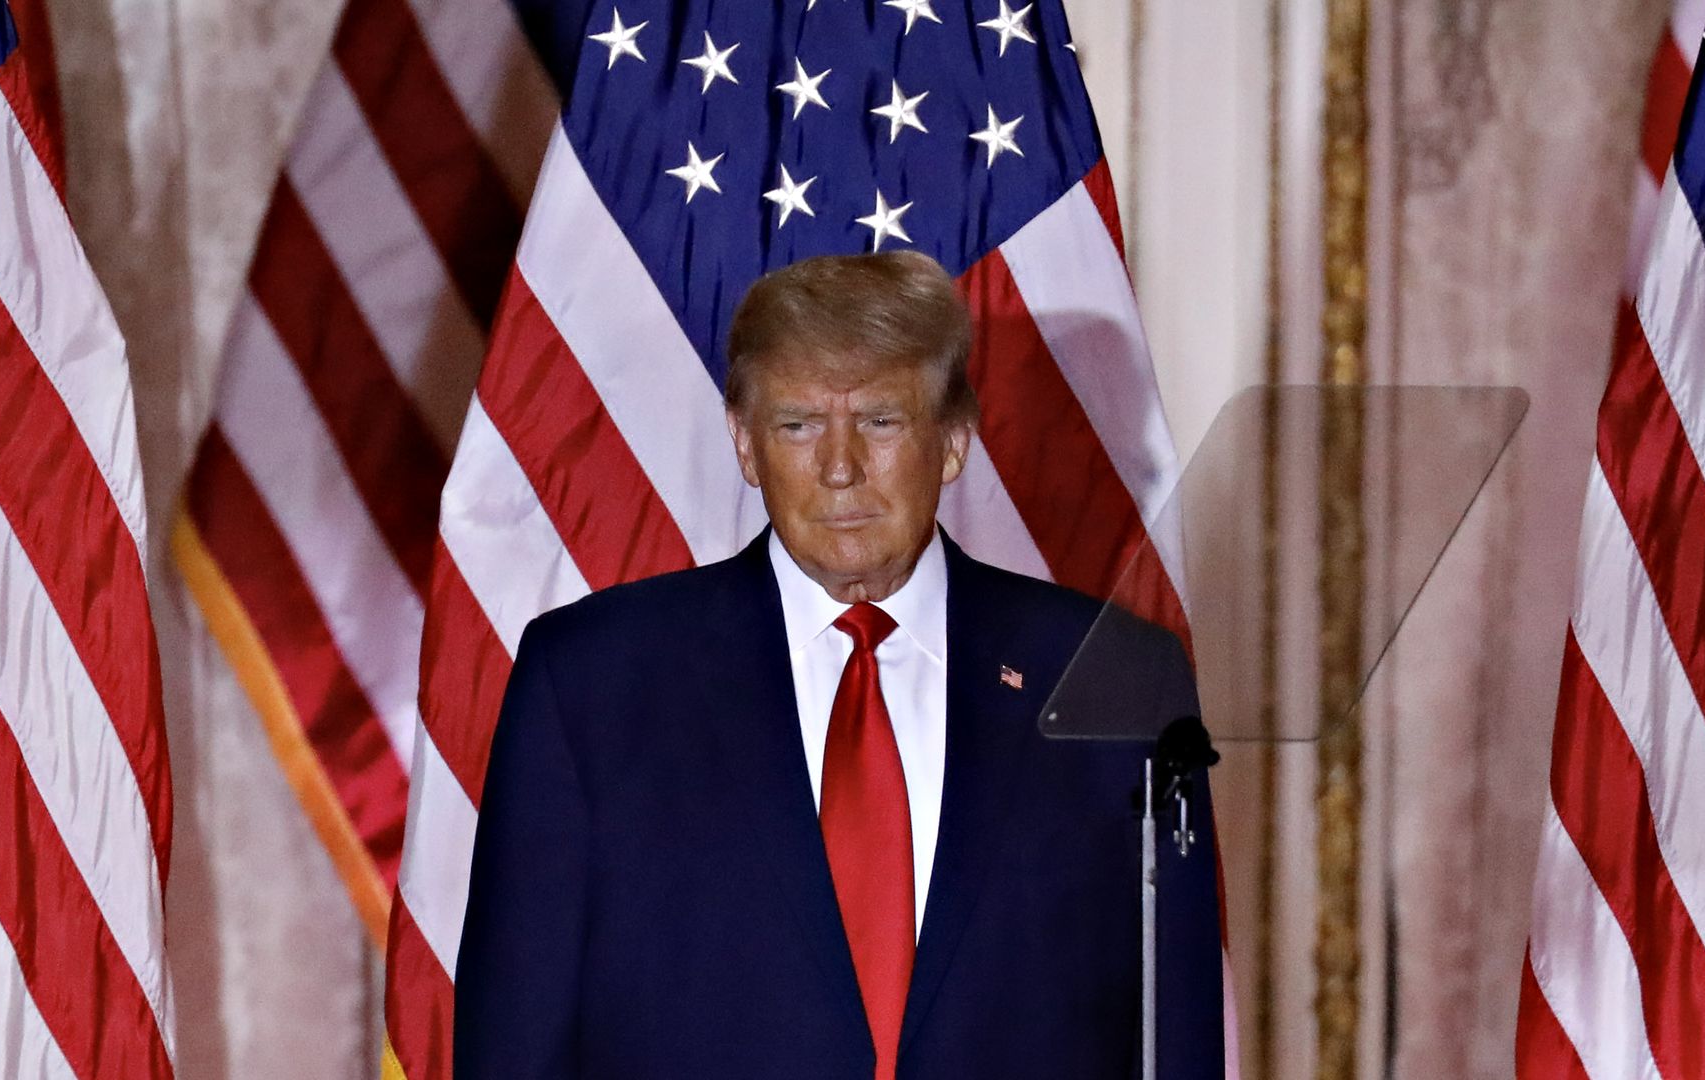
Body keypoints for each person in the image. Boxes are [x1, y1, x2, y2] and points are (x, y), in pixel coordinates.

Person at [452, 252, 1225, 1079]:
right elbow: (513, 1047)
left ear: (955, 440)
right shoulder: (589, 685)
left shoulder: (1113, 682)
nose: (841, 466)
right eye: (797, 424)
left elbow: (1172, 1040)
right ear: (745, 447)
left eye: (882, 421)